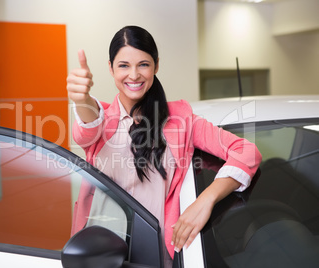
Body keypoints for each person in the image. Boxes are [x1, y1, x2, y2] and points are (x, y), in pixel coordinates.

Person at [66, 25, 262, 266]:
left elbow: (248, 152)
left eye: (143, 64)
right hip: (100, 254)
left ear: (156, 65)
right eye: (124, 65)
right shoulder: (99, 119)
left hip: (158, 256)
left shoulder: (181, 120)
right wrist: (82, 99)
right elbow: (86, 127)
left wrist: (205, 200)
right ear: (110, 68)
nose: (134, 75)